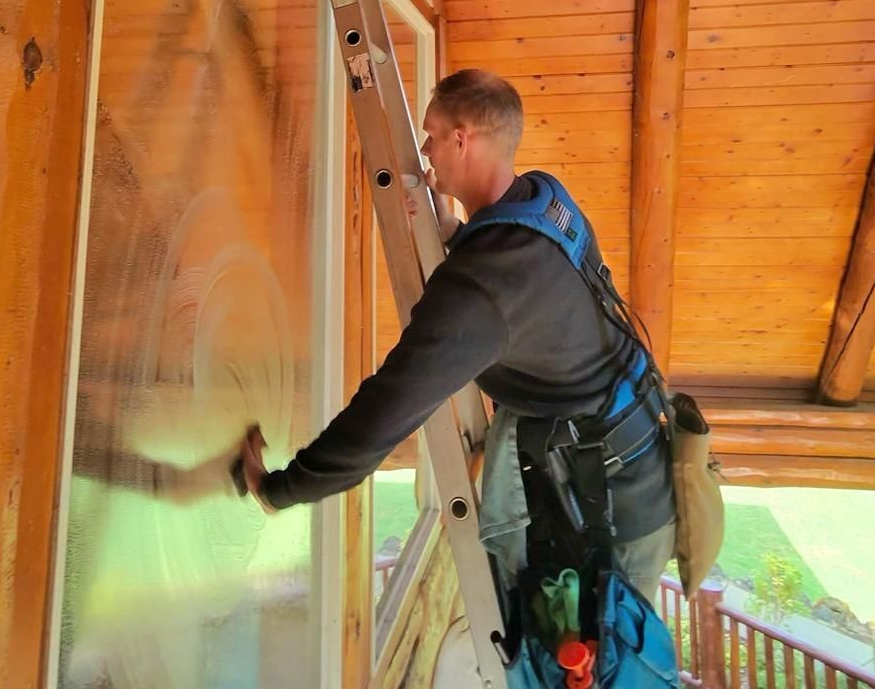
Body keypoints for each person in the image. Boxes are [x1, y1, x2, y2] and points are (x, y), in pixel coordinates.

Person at [240, 69, 675, 602]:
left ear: (462, 139)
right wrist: (453, 232)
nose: (424, 149)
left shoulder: (483, 287)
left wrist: (281, 488)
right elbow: (534, 283)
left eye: (432, 134)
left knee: (598, 665)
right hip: (639, 447)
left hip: (612, 509)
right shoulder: (543, 196)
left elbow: (386, 410)